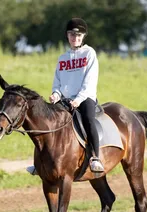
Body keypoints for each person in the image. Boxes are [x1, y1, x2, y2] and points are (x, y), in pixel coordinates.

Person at [26, 17, 104, 175]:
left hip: (85, 98)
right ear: (67, 36)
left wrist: (78, 99)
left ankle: (95, 157)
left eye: (78, 35)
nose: (75, 38)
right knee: (46, 123)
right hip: (65, 101)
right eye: (72, 35)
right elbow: (57, 83)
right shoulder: (62, 58)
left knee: (88, 120)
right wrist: (55, 94)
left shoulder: (89, 53)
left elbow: (89, 81)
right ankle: (39, 162)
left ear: (83, 37)